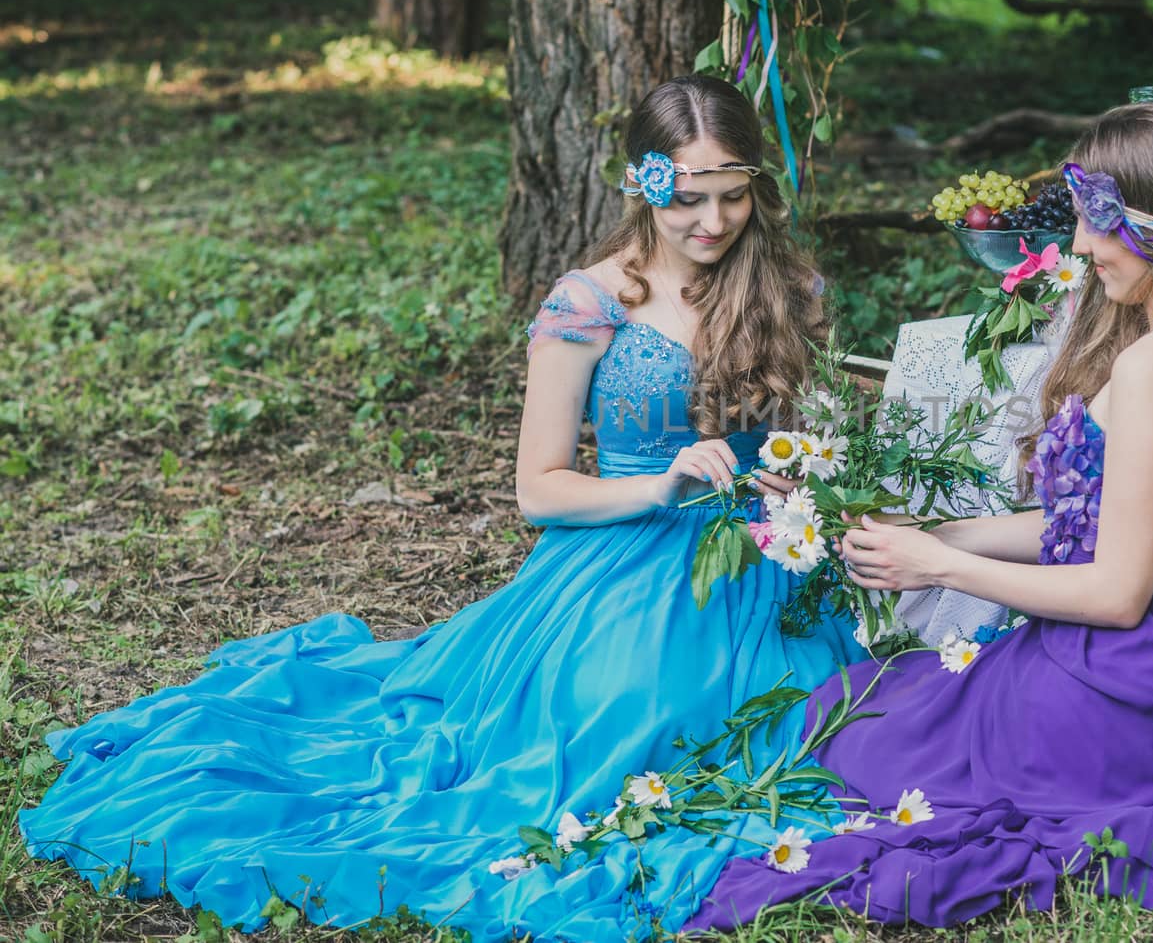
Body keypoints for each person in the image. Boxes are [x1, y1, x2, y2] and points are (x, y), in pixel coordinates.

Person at [20, 75, 863, 941]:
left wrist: (803, 478)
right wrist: (659, 486)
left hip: (766, 557)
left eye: (731, 198)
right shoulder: (592, 301)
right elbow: (538, 486)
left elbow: (799, 433)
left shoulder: (787, 286)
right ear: (643, 186)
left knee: (824, 716)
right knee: (635, 713)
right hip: (624, 554)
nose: (713, 223)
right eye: (688, 201)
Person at [688, 101, 1153, 928]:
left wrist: (941, 568)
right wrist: (923, 534)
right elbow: (1086, 527)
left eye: (1094, 225)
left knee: (865, 734)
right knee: (880, 704)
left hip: (1136, 683)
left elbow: (1118, 590)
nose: (1080, 247)